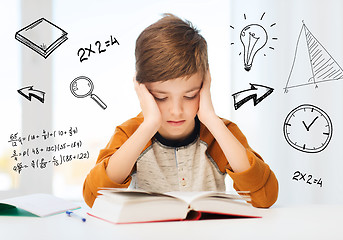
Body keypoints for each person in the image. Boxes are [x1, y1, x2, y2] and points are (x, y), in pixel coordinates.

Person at [83, 13, 278, 208]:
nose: (176, 111)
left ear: (204, 84)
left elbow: (264, 197)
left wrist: (210, 119)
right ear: (141, 89)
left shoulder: (220, 133)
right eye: (161, 97)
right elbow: (95, 199)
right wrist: (149, 125)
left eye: (190, 95)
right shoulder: (131, 134)